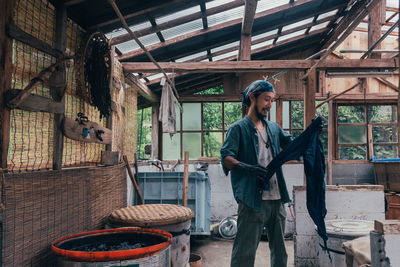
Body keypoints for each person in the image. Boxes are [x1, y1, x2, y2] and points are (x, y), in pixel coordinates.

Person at [220, 80, 292, 267]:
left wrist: (311, 136)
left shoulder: (274, 128)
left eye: (272, 100)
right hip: (252, 201)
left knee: (280, 251)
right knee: (245, 251)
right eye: (266, 99)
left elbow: (292, 145)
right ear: (253, 97)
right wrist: (248, 168)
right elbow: (227, 157)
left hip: (277, 199)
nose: (269, 105)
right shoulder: (238, 128)